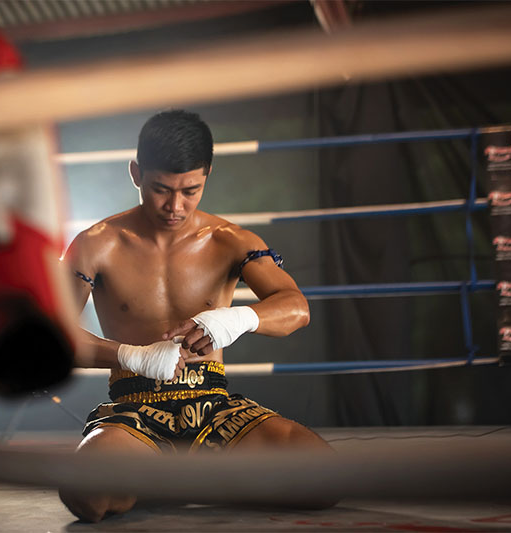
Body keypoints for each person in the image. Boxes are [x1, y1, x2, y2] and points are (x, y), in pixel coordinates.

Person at [60, 110, 336, 522]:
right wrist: (133, 356)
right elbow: (48, 337)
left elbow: (296, 308)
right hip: (135, 412)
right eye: (161, 189)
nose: (175, 206)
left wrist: (235, 320)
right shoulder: (96, 245)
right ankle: (193, 478)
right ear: (136, 173)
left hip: (215, 408)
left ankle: (170, 482)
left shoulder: (231, 241)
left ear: (207, 173)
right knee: (87, 494)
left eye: (191, 190)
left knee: (326, 478)